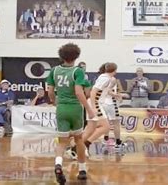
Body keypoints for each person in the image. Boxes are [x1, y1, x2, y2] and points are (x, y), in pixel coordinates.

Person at [46, 43, 95, 183]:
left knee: (62, 142)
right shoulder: (78, 71)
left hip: (61, 107)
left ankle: (58, 164)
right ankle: (82, 169)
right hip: (75, 108)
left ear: (61, 56)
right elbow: (80, 92)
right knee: (79, 140)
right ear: (77, 56)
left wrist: (55, 102)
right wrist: (89, 109)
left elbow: (50, 92)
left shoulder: (54, 70)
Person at [84, 63, 123, 153]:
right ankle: (86, 144)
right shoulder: (105, 79)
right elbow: (93, 92)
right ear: (115, 70)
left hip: (96, 103)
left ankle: (75, 146)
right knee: (106, 127)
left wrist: (116, 95)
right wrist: (93, 107)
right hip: (96, 103)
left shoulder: (107, 78)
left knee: (90, 129)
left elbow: (106, 91)